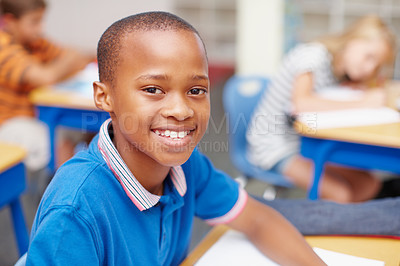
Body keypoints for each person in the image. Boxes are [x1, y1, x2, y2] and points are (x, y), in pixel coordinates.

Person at [25, 12, 325, 265]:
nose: (181, 111)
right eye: (153, 89)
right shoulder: (75, 210)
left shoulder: (186, 166)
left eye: (196, 91)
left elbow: (259, 220)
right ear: (104, 97)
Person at [246, 15, 397, 203]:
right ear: (352, 40)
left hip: (305, 143)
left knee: (370, 184)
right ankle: (332, 219)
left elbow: (322, 96)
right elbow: (301, 103)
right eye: (369, 57)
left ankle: (346, 219)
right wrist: (363, 102)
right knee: (341, 194)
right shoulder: (313, 56)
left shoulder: (338, 72)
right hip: (276, 147)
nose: (370, 68)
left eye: (377, 65)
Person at [0, 0, 94, 173]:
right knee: (59, 143)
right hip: (11, 123)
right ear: (10, 21)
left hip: (39, 116)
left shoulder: (35, 42)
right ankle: (64, 192)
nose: (40, 28)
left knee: (92, 129)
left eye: (41, 21)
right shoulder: (3, 46)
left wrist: (62, 64)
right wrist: (64, 64)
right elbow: (46, 76)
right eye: (34, 22)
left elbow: (76, 60)